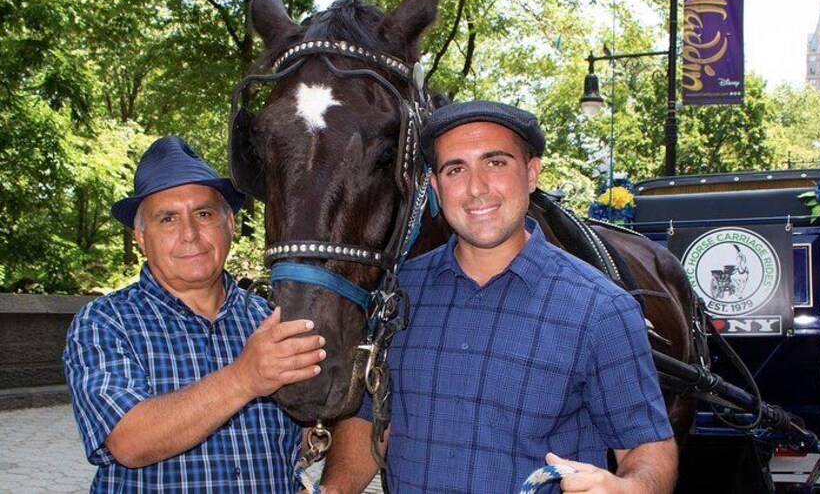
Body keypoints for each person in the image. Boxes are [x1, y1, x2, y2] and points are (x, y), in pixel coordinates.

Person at [317, 101, 677, 493]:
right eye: (456, 169)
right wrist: (336, 487)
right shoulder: (399, 293)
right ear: (436, 187)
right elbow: (372, 416)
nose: (476, 188)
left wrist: (632, 488)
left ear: (532, 173)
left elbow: (647, 445)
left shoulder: (601, 310)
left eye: (495, 163)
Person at [64, 136, 326, 492]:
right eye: (167, 219)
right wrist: (243, 378)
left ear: (230, 223)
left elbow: (315, 429)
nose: (190, 234)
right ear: (141, 236)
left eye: (203, 214)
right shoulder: (104, 322)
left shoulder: (273, 321)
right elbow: (127, 441)